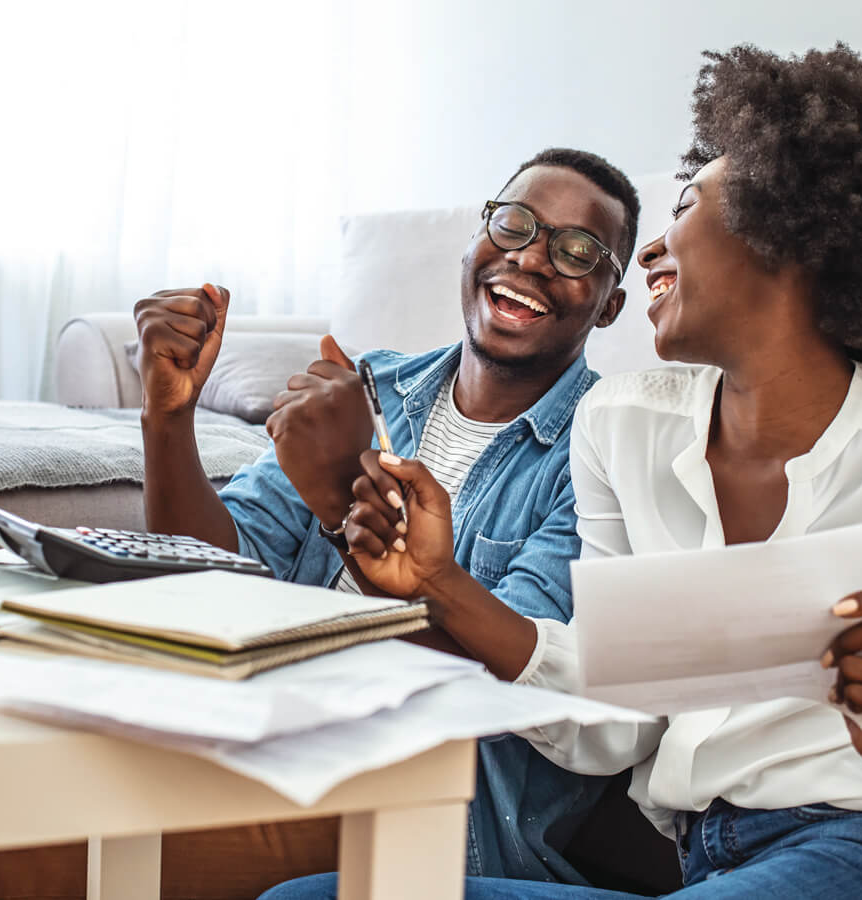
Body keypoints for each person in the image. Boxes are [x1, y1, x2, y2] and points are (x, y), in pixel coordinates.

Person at [264, 44, 862, 900]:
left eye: (685, 207)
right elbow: (615, 716)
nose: (648, 254)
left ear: (785, 234)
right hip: (702, 864)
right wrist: (440, 584)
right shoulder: (624, 426)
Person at [134, 146, 641, 887]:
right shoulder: (375, 387)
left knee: (30, 847)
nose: (531, 258)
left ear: (610, 305)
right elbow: (209, 567)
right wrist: (166, 416)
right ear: (476, 241)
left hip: (408, 805)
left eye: (575, 251)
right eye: (514, 224)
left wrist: (343, 508)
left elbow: (507, 675)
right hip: (250, 733)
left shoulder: (603, 448)